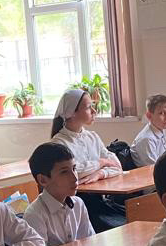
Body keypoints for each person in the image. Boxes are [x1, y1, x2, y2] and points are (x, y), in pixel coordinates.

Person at [51, 88, 125, 231]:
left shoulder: (93, 137)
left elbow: (117, 165)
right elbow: (75, 172)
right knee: (121, 227)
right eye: (88, 107)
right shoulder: (59, 143)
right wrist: (101, 163)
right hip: (79, 204)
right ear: (72, 112)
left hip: (102, 202)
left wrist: (100, 173)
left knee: (134, 218)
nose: (94, 111)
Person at [22, 142, 95, 246]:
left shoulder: (78, 204)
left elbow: (89, 243)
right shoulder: (34, 215)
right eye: (64, 172)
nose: (75, 178)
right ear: (43, 180)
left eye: (74, 169)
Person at [130, 94, 166, 168]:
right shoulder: (147, 139)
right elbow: (154, 168)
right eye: (162, 113)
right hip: (151, 173)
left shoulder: (164, 132)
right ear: (149, 116)